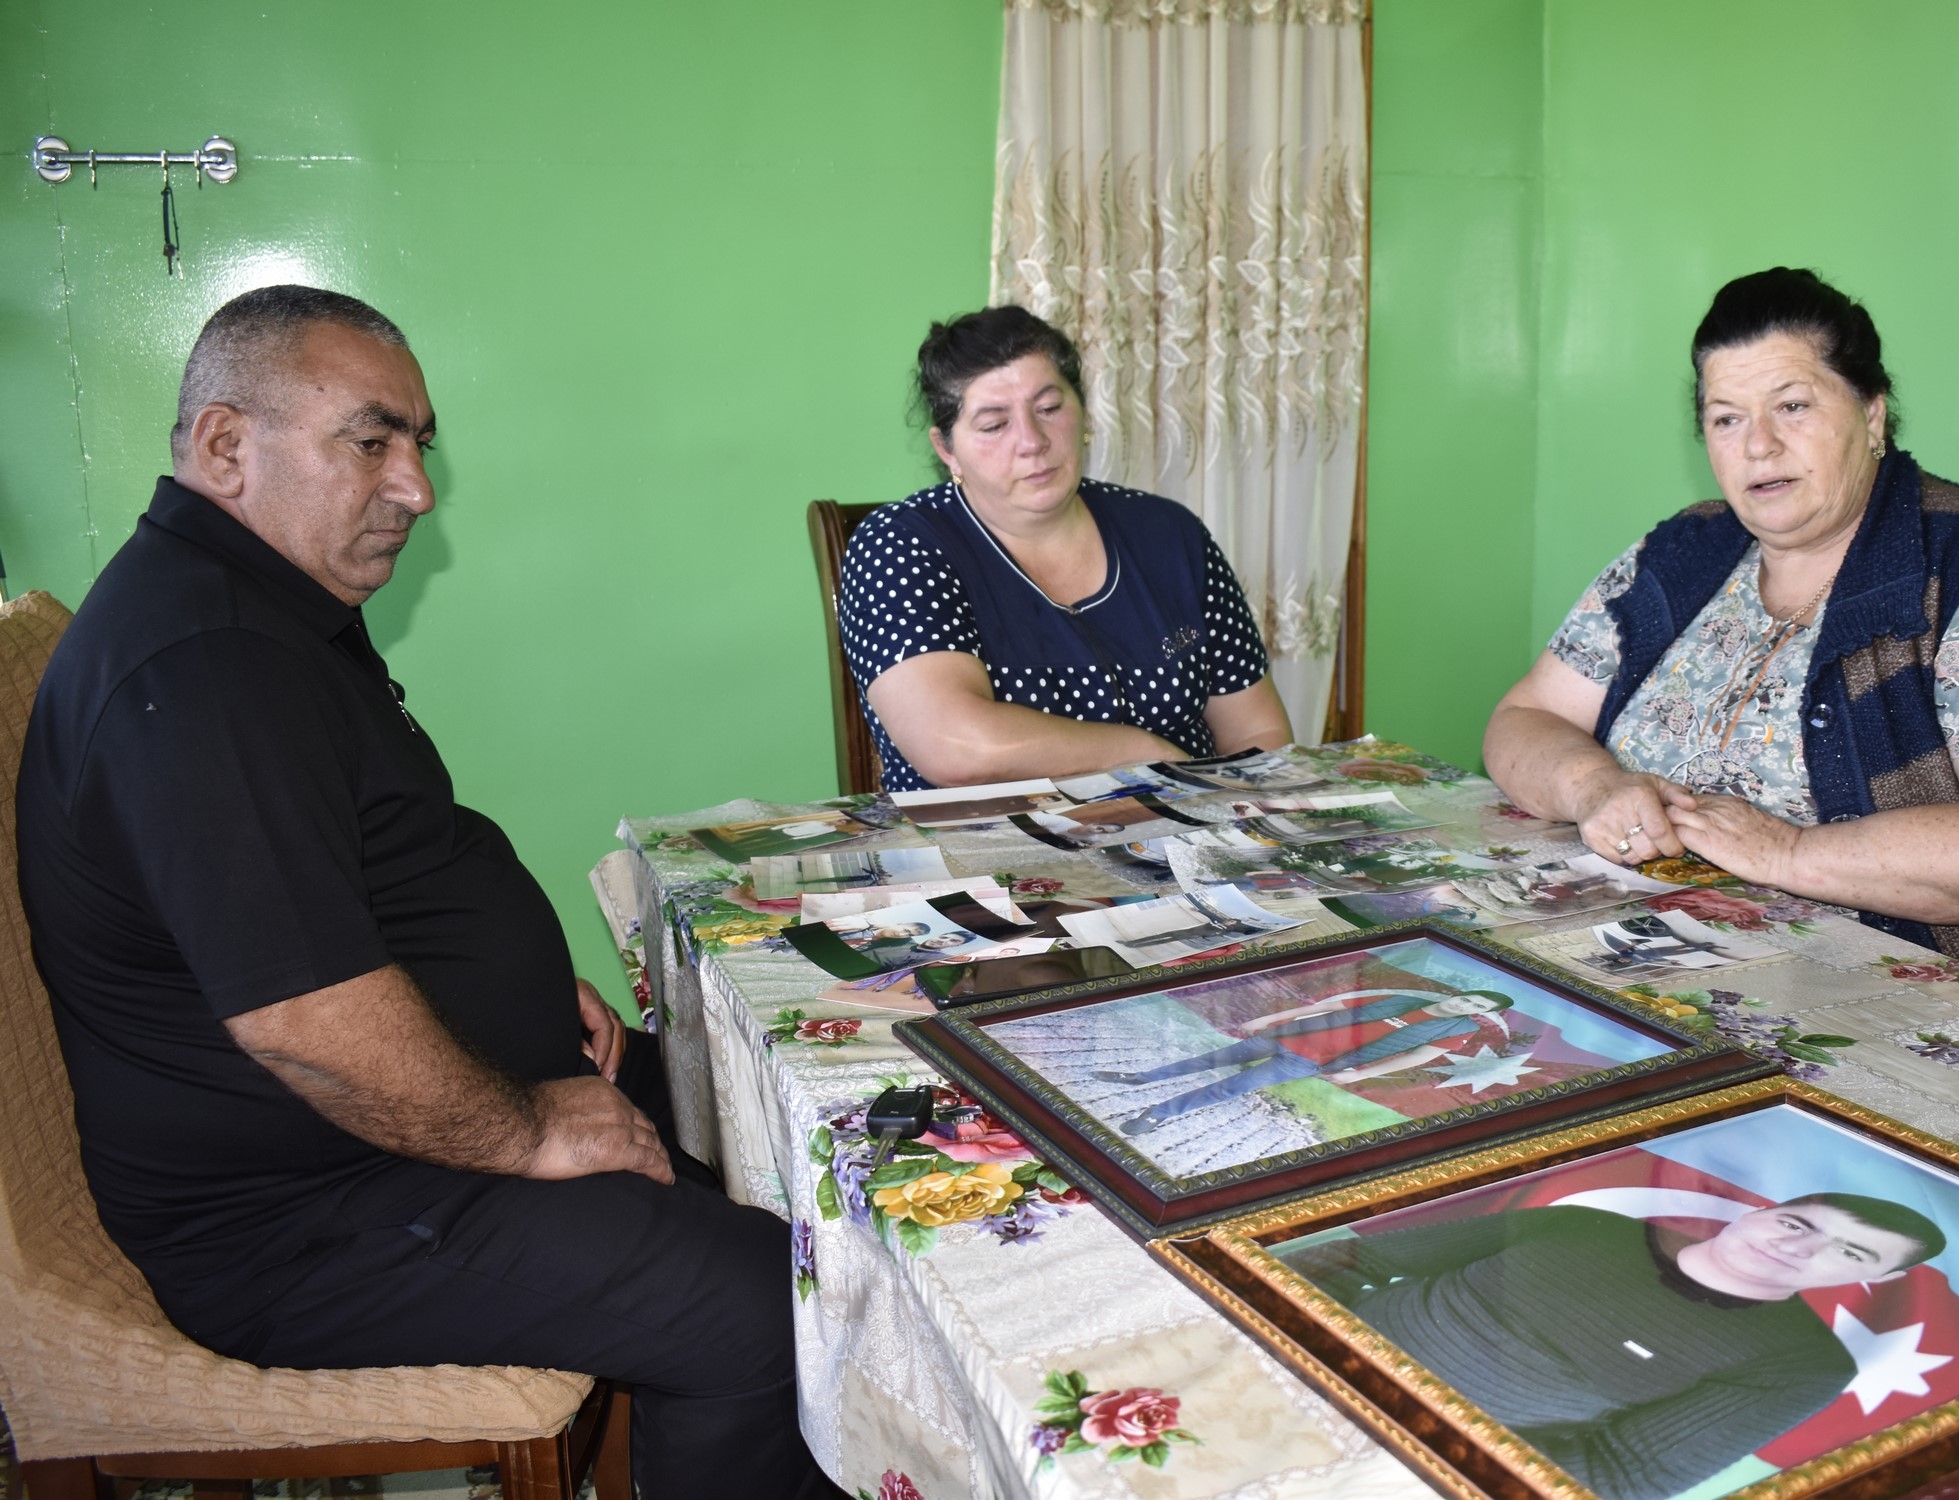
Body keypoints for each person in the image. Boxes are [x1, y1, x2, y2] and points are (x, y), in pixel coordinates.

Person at [16, 286, 832, 1500]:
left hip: (375, 1136)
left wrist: (508, 997)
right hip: (306, 1215)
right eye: (372, 441)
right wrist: (528, 1127)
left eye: (419, 444)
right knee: (764, 1305)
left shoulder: (264, 608)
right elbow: (306, 1024)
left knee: (780, 1112)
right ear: (226, 446)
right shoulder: (203, 668)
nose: (415, 487)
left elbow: (326, 886)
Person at [1485, 268, 1959, 1021]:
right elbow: (1525, 717)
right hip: (1667, 976)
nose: (1758, 446)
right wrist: (1592, 788)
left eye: (1792, 406)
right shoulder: (1685, 551)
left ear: (1872, 414)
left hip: (1931, 1011)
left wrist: (1788, 853)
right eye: (1726, 419)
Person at [838, 306, 1293, 792]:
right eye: (994, 425)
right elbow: (957, 746)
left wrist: (1240, 814)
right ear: (948, 450)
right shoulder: (898, 546)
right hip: (989, 836)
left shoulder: (1169, 534)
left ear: (1083, 412)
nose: (1032, 441)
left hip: (1193, 825)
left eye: (1049, 408)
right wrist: (1149, 755)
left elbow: (1257, 732)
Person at [1294, 1194, 1944, 1500]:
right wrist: (1270, 1330)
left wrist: (1395, 1456)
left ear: (1880, 1278)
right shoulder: (1586, 1225)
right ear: (1758, 1212)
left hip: (1402, 1468)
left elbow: (1619, 1478)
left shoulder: (1803, 1365)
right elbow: (1358, 1260)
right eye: (1795, 1222)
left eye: (1849, 1252)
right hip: (1290, 1352)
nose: (1795, 1246)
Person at [1095, 988, 1514, 1132]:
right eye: (1466, 997)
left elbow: (1415, 1059)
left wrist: (1358, 1074)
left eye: (1474, 1006)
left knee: (1232, 1087)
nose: (1463, 1004)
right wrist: (1271, 1019)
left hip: (1309, 1062)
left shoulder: (1455, 1030)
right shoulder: (1401, 998)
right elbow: (1331, 1004)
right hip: (1288, 1036)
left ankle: (1157, 1114)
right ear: (1458, 995)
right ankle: (1140, 1078)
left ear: (1476, 1013)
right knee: (1212, 1059)